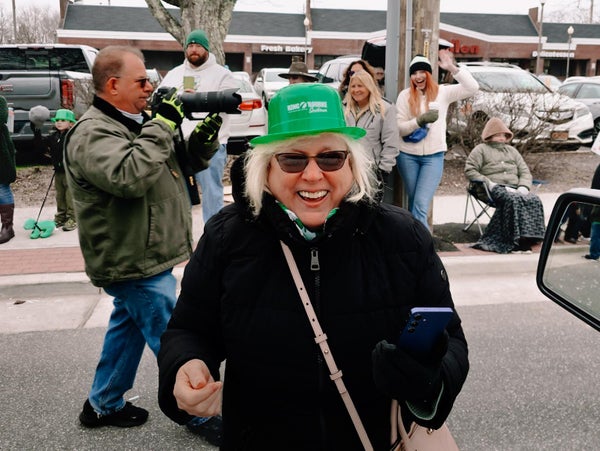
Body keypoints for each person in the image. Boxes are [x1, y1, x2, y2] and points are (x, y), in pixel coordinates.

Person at [157, 83, 469, 450]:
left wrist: (427, 379)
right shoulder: (228, 238)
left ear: (351, 162)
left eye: (330, 158)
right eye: (292, 159)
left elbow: (451, 340)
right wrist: (185, 366)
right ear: (266, 167)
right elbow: (188, 329)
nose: (312, 175)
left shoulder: (402, 237)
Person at [64, 45, 222, 446]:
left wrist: (201, 141)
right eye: (142, 81)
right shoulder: (92, 133)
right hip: (131, 258)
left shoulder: (136, 121)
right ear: (113, 85)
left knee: (128, 327)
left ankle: (103, 403)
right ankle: (200, 413)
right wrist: (163, 124)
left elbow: (174, 165)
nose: (151, 87)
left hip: (146, 254)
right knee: (175, 336)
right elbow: (128, 175)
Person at [159, 29, 239, 224]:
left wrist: (200, 99)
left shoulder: (222, 74)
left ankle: (214, 237)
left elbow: (231, 101)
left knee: (212, 192)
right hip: (178, 143)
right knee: (178, 192)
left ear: (206, 49)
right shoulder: (174, 74)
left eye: (198, 46)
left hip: (209, 144)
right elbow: (159, 98)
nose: (193, 50)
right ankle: (181, 236)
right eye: (190, 46)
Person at [396, 51, 479, 230]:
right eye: (414, 73)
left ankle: (424, 250)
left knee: (420, 204)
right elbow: (399, 128)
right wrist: (420, 120)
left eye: (422, 72)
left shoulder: (443, 92)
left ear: (429, 74)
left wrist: (452, 68)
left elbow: (472, 87)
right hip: (407, 156)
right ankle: (416, 246)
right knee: (415, 204)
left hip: (433, 157)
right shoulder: (404, 96)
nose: (418, 76)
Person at [464, 117, 546, 254]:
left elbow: (525, 172)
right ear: (489, 135)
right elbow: (470, 170)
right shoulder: (481, 150)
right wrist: (488, 183)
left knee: (534, 199)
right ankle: (513, 241)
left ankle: (528, 238)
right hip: (490, 188)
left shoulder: (512, 151)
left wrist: (523, 187)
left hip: (515, 188)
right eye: (497, 135)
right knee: (512, 200)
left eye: (503, 135)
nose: (501, 138)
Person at [343, 69, 400, 203]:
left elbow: (391, 142)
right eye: (353, 86)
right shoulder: (343, 108)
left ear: (369, 87)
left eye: (360, 86)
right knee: (348, 208)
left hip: (372, 170)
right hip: (347, 168)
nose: (356, 90)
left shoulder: (385, 108)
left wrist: (383, 170)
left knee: (370, 209)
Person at [48, 108, 77, 231]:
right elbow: (41, 147)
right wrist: (36, 130)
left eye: (63, 120)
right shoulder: (54, 136)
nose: (59, 122)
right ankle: (61, 216)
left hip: (70, 172)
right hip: (58, 171)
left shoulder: (72, 136)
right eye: (57, 120)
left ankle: (73, 218)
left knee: (69, 196)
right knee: (60, 195)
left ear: (70, 123)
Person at [0, 95, 16, 244]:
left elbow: (1, 118)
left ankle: (7, 227)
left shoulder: (1, 101)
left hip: (1, 155)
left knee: (2, 189)